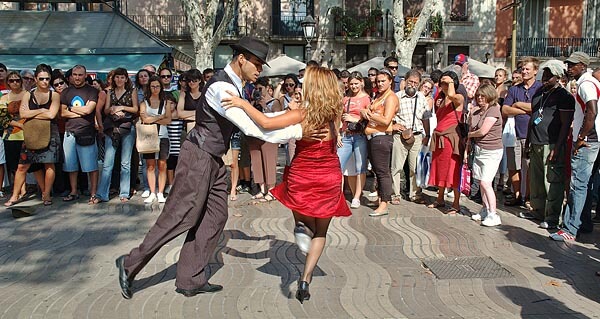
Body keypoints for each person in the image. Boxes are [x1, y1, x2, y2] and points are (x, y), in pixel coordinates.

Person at [115, 37, 306, 299]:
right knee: (181, 216)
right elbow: (253, 127)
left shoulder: (235, 87)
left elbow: (257, 118)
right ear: (241, 59)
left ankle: (190, 278)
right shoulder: (221, 88)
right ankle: (129, 264)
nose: (259, 70)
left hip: (213, 158)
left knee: (216, 216)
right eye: (257, 64)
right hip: (198, 156)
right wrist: (301, 129)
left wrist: (293, 119)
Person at [223, 65, 351, 304]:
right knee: (321, 232)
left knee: (302, 217)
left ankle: (301, 228)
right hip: (328, 175)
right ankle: (305, 278)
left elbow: (266, 123)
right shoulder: (334, 112)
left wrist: (242, 104)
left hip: (303, 173)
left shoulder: (304, 114)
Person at [550, 52, 600, 241]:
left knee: (577, 184)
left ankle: (570, 228)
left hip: (588, 140)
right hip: (595, 139)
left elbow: (592, 110)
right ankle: (583, 223)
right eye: (568, 64)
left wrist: (581, 136)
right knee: (585, 184)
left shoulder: (586, 84)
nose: (569, 67)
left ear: (583, 66)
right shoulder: (591, 82)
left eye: (573, 64)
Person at [526, 60, 574, 230]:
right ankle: (538, 210)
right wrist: (528, 142)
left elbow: (565, 124)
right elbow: (533, 119)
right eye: (544, 75)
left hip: (552, 143)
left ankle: (553, 217)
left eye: (549, 76)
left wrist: (557, 147)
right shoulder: (539, 93)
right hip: (536, 142)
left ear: (558, 77)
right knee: (537, 181)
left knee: (552, 182)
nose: (545, 78)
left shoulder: (564, 97)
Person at [4, 64, 61, 207]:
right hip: (31, 133)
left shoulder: (54, 95)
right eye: (41, 78)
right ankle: (15, 195)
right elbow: (23, 114)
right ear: (36, 79)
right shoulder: (28, 94)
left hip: (50, 133)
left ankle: (46, 194)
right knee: (22, 166)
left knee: (49, 165)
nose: (45, 81)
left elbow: (52, 114)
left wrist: (34, 113)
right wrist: (42, 110)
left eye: (47, 79)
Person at [501, 57, 542, 209]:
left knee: (530, 167)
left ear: (535, 71)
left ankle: (529, 197)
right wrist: (522, 109)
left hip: (532, 134)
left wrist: (517, 105)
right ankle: (517, 195)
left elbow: (538, 108)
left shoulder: (540, 88)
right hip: (514, 134)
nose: (524, 72)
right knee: (513, 166)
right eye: (522, 69)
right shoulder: (514, 89)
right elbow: (505, 109)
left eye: (527, 69)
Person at [96, 68, 138, 203]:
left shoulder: (132, 91)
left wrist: (122, 108)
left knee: (125, 162)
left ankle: (124, 193)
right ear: (114, 79)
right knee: (108, 163)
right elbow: (106, 109)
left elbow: (135, 109)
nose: (119, 80)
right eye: (117, 77)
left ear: (126, 79)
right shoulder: (110, 92)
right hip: (112, 128)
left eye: (122, 77)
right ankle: (102, 193)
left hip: (127, 127)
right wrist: (113, 110)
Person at [60, 64, 99, 204]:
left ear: (85, 75)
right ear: (71, 76)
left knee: (91, 166)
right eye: (75, 75)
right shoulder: (65, 92)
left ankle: (93, 193)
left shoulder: (92, 91)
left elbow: (89, 110)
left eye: (80, 75)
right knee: (71, 166)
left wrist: (71, 110)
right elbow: (62, 112)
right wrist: (79, 110)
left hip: (86, 132)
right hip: (69, 132)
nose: (77, 77)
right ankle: (74, 191)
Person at [362, 68, 399, 216]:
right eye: (378, 81)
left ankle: (384, 203)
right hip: (372, 137)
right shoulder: (379, 96)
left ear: (390, 81)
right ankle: (380, 199)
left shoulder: (390, 97)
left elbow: (386, 119)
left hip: (382, 137)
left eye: (383, 81)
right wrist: (365, 112)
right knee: (378, 171)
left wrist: (369, 114)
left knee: (383, 172)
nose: (380, 83)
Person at [427, 71, 465, 214]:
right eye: (441, 82)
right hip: (439, 136)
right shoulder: (439, 97)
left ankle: (456, 203)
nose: (442, 85)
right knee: (440, 168)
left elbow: (452, 96)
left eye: (446, 82)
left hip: (451, 138)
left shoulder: (458, 97)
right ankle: (440, 197)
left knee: (452, 170)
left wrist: (450, 85)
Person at [466, 84, 504, 226]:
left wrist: (469, 134)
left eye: (483, 95)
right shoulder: (477, 111)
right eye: (478, 96)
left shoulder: (494, 110)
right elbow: (472, 126)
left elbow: (483, 131)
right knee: (480, 181)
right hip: (479, 149)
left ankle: (493, 214)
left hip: (492, 151)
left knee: (485, 182)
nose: (480, 98)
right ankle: (485, 209)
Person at [391, 70, 430, 204]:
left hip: (417, 136)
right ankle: (395, 194)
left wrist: (428, 134)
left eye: (415, 83)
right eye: (410, 82)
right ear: (405, 81)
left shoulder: (421, 97)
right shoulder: (396, 97)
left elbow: (426, 117)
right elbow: (389, 115)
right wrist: (394, 125)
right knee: (397, 167)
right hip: (399, 136)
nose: (412, 85)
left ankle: (415, 194)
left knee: (414, 167)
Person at [338, 71, 370, 209]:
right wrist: (338, 134)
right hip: (345, 134)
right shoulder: (345, 98)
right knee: (338, 166)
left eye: (356, 83)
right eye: (351, 84)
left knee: (360, 167)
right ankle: (337, 196)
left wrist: (355, 119)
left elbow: (369, 119)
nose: (353, 86)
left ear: (361, 82)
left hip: (360, 135)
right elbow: (339, 117)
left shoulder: (366, 98)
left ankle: (357, 196)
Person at [140, 76, 172, 204]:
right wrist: (160, 116)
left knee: (162, 165)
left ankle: (160, 192)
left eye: (157, 86)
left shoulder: (166, 103)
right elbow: (144, 119)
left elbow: (168, 120)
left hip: (163, 136)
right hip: (149, 137)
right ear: (149, 87)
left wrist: (152, 118)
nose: (155, 88)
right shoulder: (144, 103)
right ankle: (152, 192)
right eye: (153, 86)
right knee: (150, 165)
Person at [247, 76, 279, 202]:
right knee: (256, 162)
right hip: (255, 136)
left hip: (269, 136)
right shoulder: (253, 103)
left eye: (260, 88)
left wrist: (264, 106)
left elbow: (276, 118)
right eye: (256, 89)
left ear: (267, 88)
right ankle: (262, 189)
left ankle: (271, 190)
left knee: (269, 162)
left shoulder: (274, 102)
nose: (258, 91)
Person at [0, 71, 26, 199]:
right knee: (13, 165)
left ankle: (25, 190)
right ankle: (20, 190)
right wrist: (20, 125)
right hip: (10, 136)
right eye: (11, 80)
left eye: (17, 80)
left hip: (27, 135)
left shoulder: (28, 95)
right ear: (8, 83)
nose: (15, 82)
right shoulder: (4, 98)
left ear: (21, 81)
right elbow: (3, 119)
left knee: (27, 164)